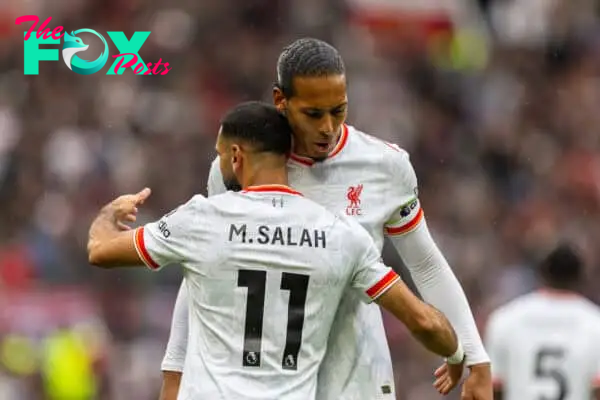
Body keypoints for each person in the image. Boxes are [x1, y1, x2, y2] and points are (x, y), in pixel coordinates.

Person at [161, 38, 493, 400]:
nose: (328, 127)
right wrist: (175, 370)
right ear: (280, 101)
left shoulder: (384, 167)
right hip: (260, 381)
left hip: (355, 378)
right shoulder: (240, 166)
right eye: (313, 114)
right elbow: (199, 271)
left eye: (339, 110)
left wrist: (476, 359)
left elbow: (425, 264)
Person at [87, 101, 465, 399]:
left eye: (220, 155)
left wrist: (110, 213)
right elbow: (425, 322)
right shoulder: (342, 236)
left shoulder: (202, 219)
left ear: (235, 156)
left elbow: (100, 251)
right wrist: (456, 355)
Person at [485, 244, 600, 400]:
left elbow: (493, 389)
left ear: (542, 274)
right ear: (580, 277)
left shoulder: (505, 319)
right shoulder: (594, 323)